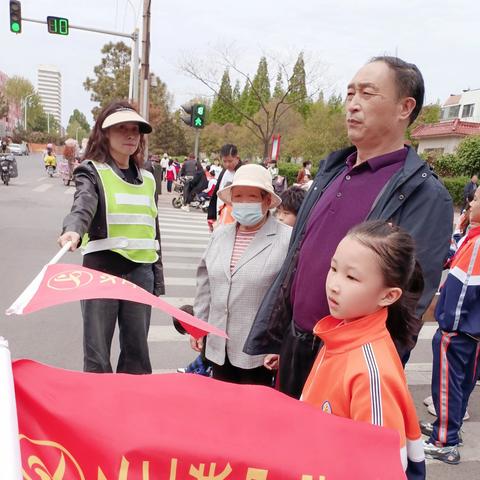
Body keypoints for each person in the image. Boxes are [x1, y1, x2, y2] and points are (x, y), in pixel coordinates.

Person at [244, 55, 454, 399]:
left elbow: (410, 305)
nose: (352, 105)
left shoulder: (424, 196)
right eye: (349, 94)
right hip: (295, 345)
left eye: (367, 94)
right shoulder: (332, 172)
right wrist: (281, 335)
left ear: (405, 107)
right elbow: (299, 262)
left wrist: (364, 375)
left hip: (347, 364)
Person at [301, 221, 425, 479]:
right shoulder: (339, 333)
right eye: (333, 268)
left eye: (351, 277)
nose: (334, 284)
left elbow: (379, 468)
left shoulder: (370, 372)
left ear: (388, 296)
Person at [58, 100, 165, 374]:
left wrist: (157, 279)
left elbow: (152, 228)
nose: (130, 135)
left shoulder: (150, 175)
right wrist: (73, 230)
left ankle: (130, 409)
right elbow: (82, 204)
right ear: (104, 133)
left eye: (135, 130)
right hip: (101, 273)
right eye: (121, 129)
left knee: (137, 354)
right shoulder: (92, 171)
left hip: (141, 273)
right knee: (97, 355)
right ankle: (96, 411)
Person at [191, 164, 292, 385]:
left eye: (252, 196)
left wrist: (280, 345)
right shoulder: (220, 234)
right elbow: (205, 283)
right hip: (218, 345)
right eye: (238, 196)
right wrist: (197, 326)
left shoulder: (286, 239)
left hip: (259, 352)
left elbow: (289, 297)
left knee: (252, 414)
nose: (244, 202)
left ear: (266, 200)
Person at [420, 188, 480, 465]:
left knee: (446, 385)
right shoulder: (472, 235)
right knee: (462, 384)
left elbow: (464, 287)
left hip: (458, 330)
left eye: (477, 199)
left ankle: (444, 441)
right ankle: (448, 430)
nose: (470, 201)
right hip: (472, 331)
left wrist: (449, 326)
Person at [207, 144, 243, 231]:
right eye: (224, 161)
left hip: (236, 219)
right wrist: (212, 216)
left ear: (237, 158)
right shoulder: (224, 172)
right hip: (220, 215)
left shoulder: (242, 173)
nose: (227, 164)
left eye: (230, 161)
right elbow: (216, 193)